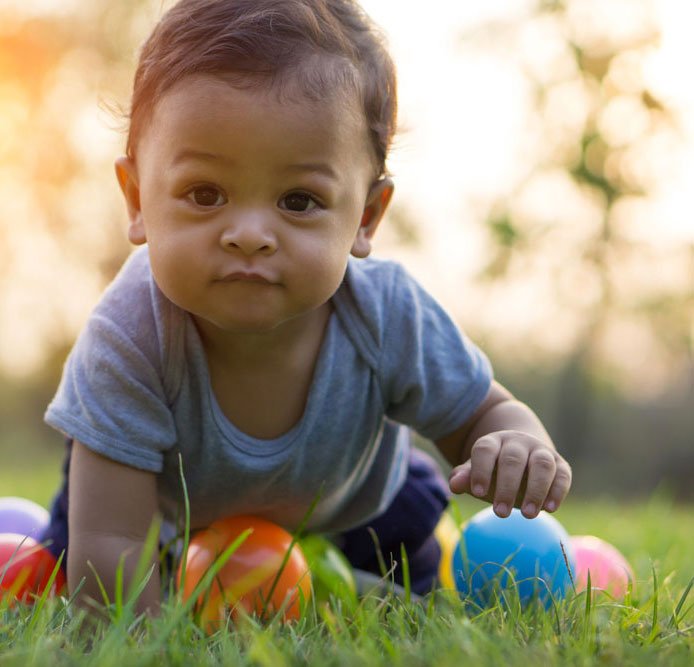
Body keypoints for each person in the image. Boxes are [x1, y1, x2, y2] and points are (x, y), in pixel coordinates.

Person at [41, 0, 572, 615]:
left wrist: (515, 443)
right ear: (137, 200)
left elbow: (484, 412)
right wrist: (148, 639)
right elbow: (112, 540)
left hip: (356, 507)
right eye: (204, 193)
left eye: (298, 200)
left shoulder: (387, 314)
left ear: (366, 218)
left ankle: (364, 573)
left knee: (416, 583)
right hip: (161, 520)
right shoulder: (129, 336)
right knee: (77, 569)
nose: (248, 233)